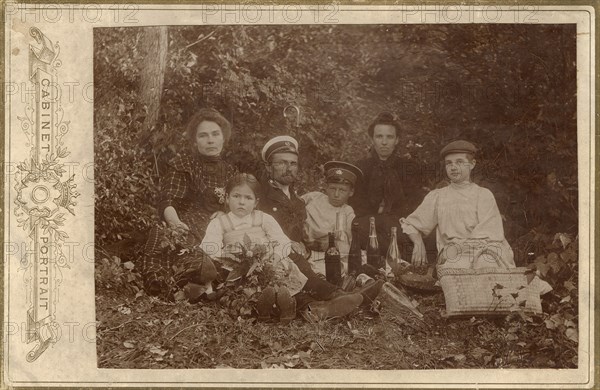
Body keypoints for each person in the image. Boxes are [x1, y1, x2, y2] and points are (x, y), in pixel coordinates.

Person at [201, 173, 362, 323]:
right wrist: (226, 256)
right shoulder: (220, 222)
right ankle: (275, 307)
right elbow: (209, 247)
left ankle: (327, 303)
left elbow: (282, 241)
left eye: (248, 198)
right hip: (241, 269)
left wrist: (276, 257)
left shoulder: (263, 218)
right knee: (254, 291)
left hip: (270, 263)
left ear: (256, 202)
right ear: (227, 198)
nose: (242, 202)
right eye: (236, 196)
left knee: (290, 283)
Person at [258, 136, 384, 312]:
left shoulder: (297, 199)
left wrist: (310, 243)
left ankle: (324, 306)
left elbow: (302, 232)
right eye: (282, 163)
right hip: (273, 254)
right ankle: (333, 298)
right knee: (294, 271)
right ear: (268, 167)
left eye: (293, 164)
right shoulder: (259, 195)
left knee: (311, 267)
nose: (288, 168)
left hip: (299, 256)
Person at [141, 108, 238, 300]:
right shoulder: (185, 163)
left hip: (218, 230)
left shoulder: (231, 171)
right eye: (203, 136)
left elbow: (241, 207)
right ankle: (169, 284)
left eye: (215, 134)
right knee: (161, 235)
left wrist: (225, 214)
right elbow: (168, 199)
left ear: (223, 138)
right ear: (195, 141)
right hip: (186, 225)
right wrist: (175, 223)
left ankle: (203, 284)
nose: (210, 140)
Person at [400, 140, 516, 269]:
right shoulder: (438, 196)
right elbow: (411, 224)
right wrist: (418, 242)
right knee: (456, 265)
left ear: (472, 164)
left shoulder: (483, 195)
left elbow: (490, 234)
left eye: (459, 162)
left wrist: (465, 248)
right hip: (453, 254)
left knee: (486, 262)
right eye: (449, 163)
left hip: (486, 250)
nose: (453, 167)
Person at [349, 111, 428, 263]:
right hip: (369, 225)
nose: (384, 142)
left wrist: (396, 220)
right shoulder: (360, 168)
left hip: (400, 225)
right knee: (362, 230)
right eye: (379, 136)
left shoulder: (409, 168)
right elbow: (356, 205)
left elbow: (414, 205)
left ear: (397, 140)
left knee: (404, 235)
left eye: (389, 137)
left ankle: (392, 260)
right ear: (372, 139)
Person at [301, 161, 362, 253]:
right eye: (333, 188)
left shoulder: (347, 212)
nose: (336, 194)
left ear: (351, 192)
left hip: (324, 253)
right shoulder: (313, 197)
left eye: (342, 190)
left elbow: (343, 242)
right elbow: (291, 207)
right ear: (326, 187)